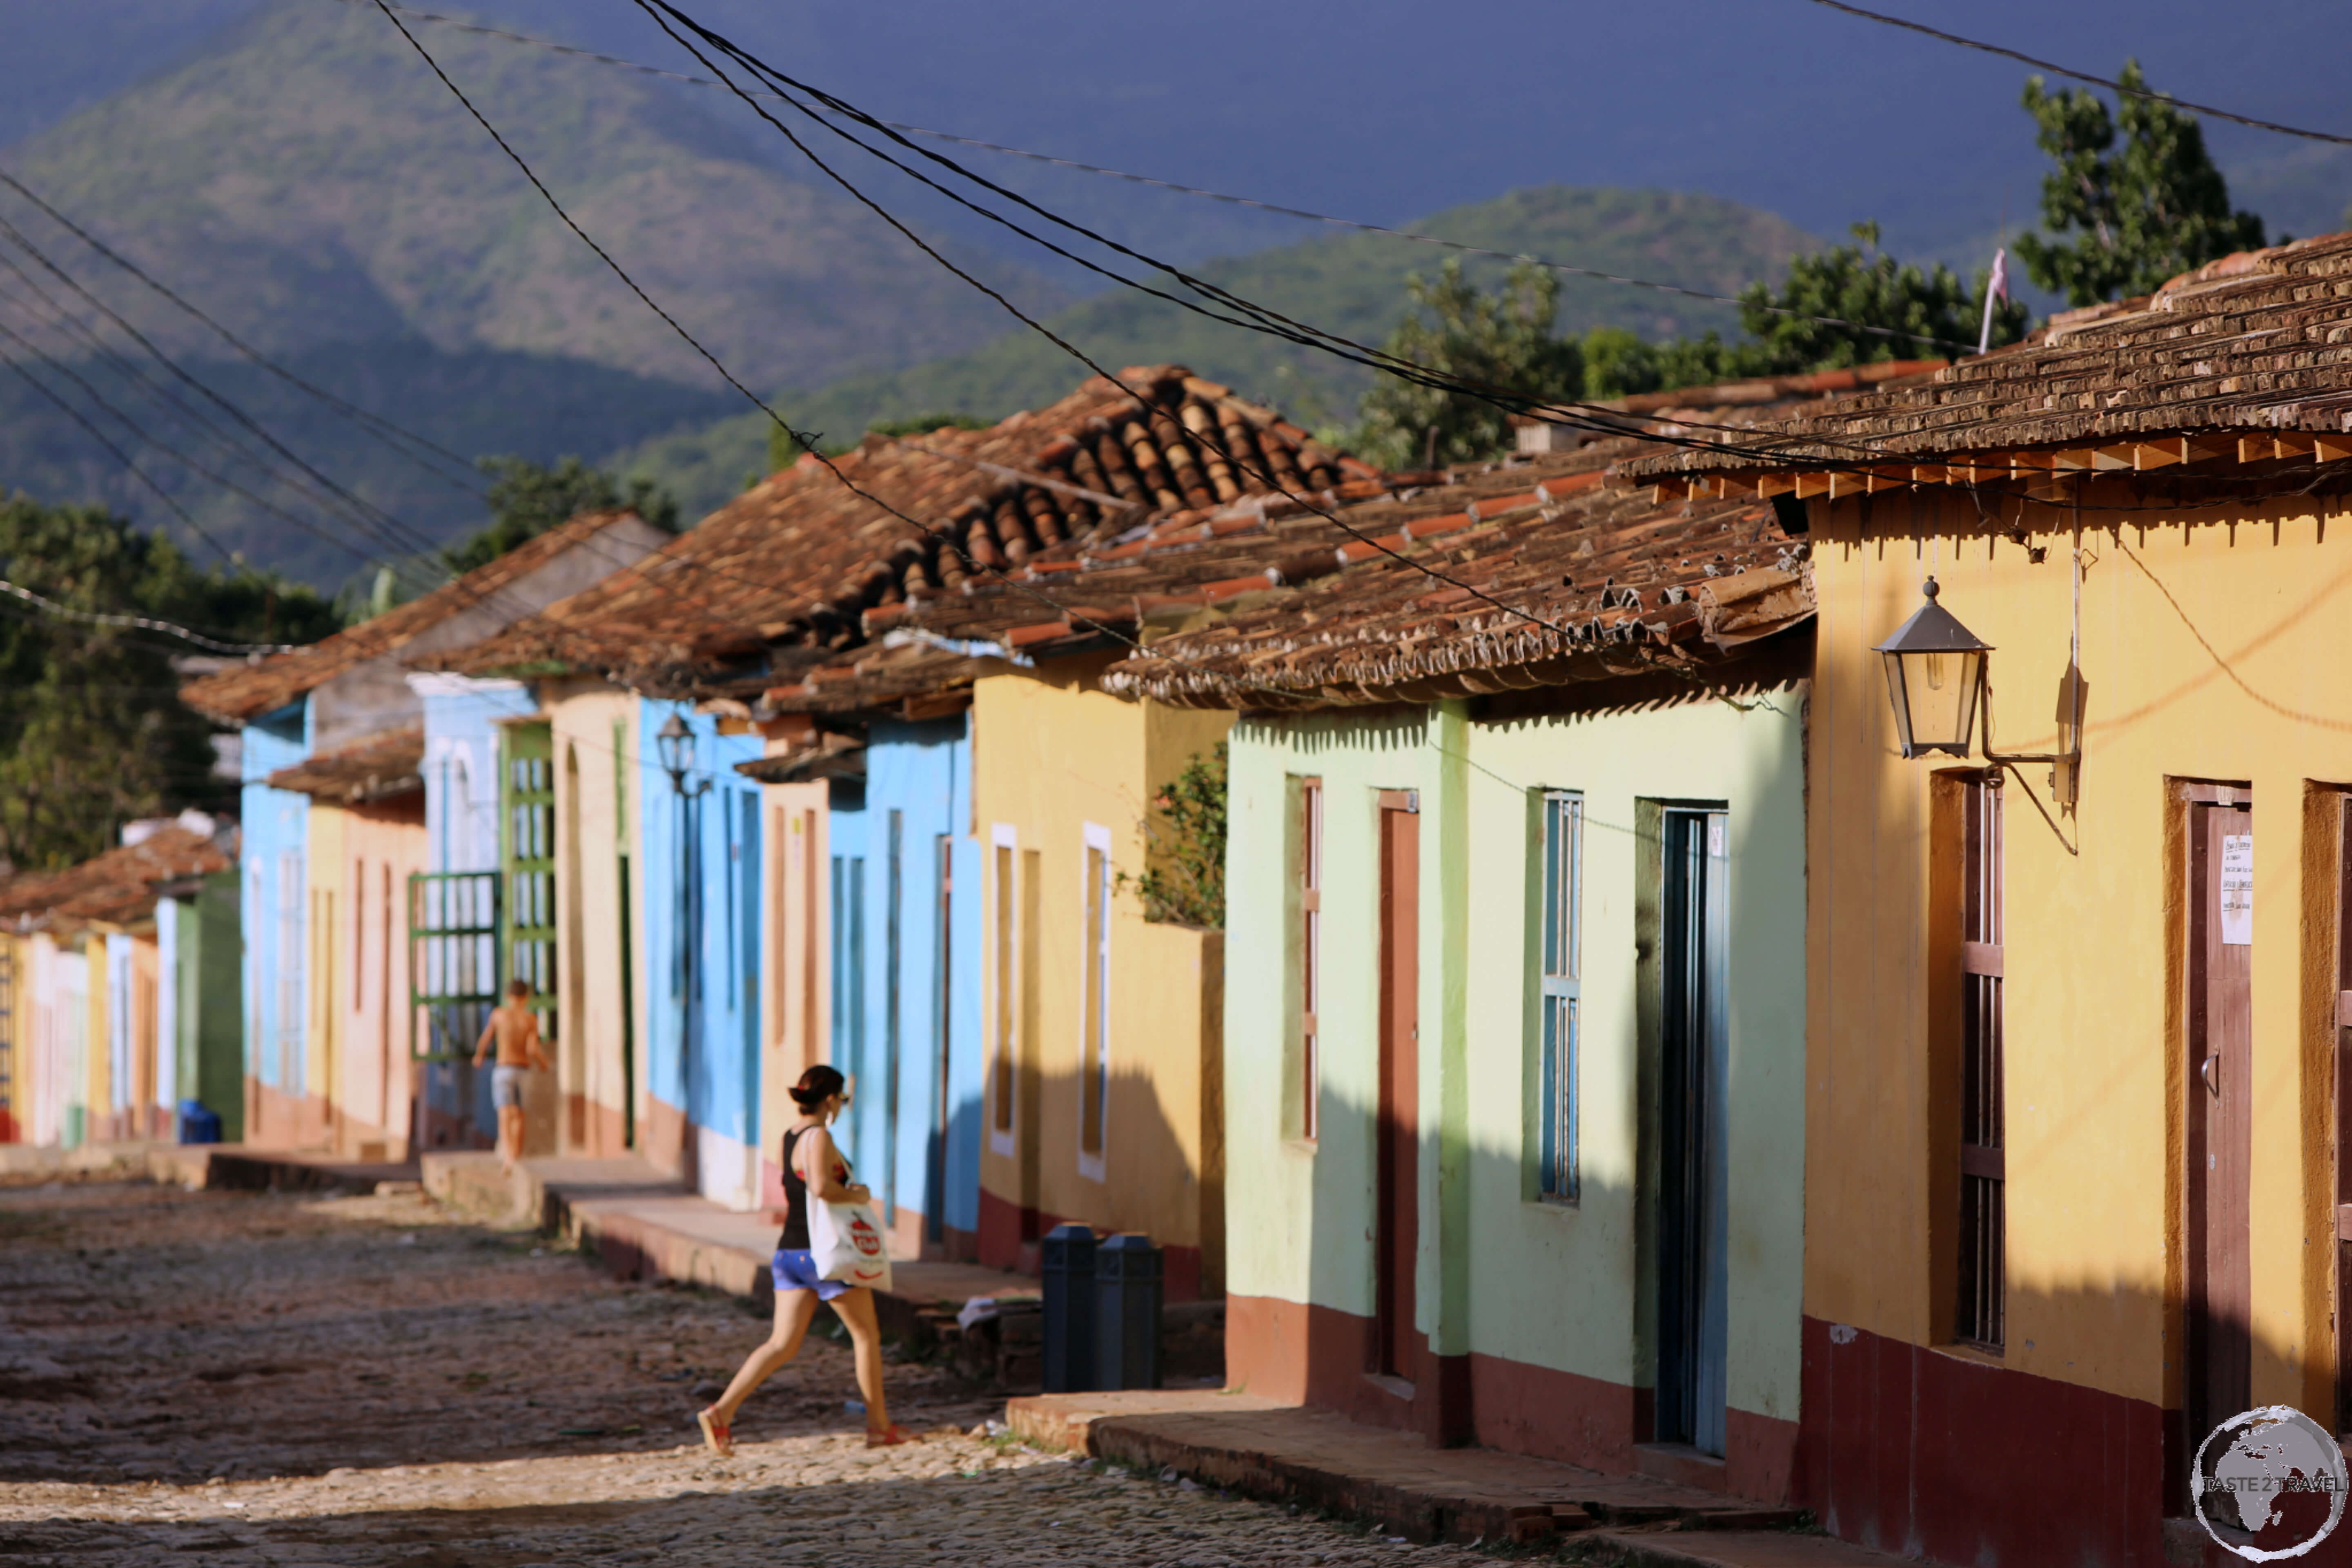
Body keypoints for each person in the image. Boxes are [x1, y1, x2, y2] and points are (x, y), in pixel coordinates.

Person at [698, 1065, 910, 1455]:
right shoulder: (819, 1137)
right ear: (830, 1100)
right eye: (842, 1099)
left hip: (788, 1254)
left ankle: (721, 1413)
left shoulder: (789, 1136)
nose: (842, 1107)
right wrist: (858, 1196)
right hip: (823, 1254)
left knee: (781, 1343)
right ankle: (880, 1428)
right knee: (866, 1337)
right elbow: (821, 1188)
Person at [471, 978, 550, 1176]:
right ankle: (516, 1155)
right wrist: (543, 1063)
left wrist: (479, 1056)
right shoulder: (530, 1019)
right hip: (523, 1069)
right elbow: (532, 1048)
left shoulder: (499, 1015)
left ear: (508, 996)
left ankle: (508, 1158)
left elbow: (486, 1039)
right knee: (519, 1115)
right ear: (526, 998)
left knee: (504, 1115)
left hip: (503, 1069)